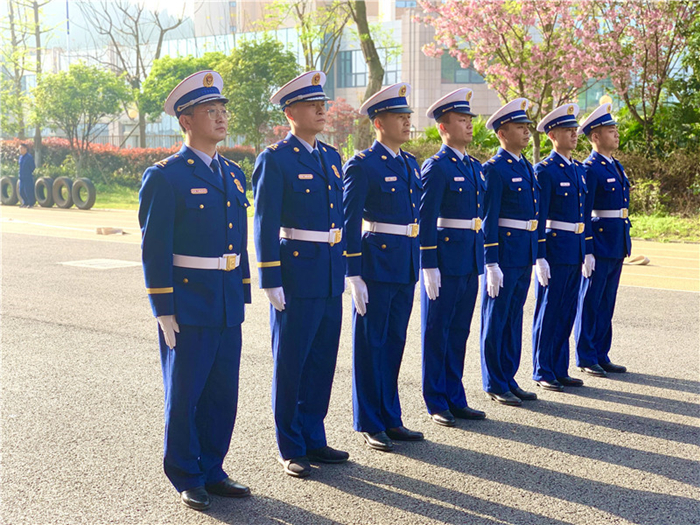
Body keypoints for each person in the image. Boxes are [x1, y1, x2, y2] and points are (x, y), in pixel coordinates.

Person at [138, 70, 252, 511]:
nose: (221, 117)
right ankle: (186, 472)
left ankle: (213, 467)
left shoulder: (234, 173)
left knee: (223, 392)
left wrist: (241, 291)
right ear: (186, 121)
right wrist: (162, 307)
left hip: (224, 298)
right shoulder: (165, 176)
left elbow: (237, 241)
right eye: (211, 111)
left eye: (223, 110)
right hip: (188, 301)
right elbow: (154, 246)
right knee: (185, 392)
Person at [253, 71, 348, 478]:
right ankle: (289, 444)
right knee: (291, 362)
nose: (321, 110)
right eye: (312, 105)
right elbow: (263, 221)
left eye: (322, 103)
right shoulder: (275, 159)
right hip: (296, 271)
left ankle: (314, 435)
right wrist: (270, 277)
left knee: (322, 360)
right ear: (291, 112)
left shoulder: (331, 156)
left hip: (329, 273)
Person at [343, 83, 424, 452]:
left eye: (408, 117)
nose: (408, 122)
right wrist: (353, 272)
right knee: (371, 343)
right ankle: (370, 420)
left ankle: (391, 416)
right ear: (379, 122)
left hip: (405, 260)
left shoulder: (410, 163)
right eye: (399, 117)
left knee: (394, 342)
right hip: (376, 262)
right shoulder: (363, 165)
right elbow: (349, 221)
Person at [419, 88, 487, 427]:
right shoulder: (437, 167)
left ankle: (455, 396)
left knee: (458, 331)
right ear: (444, 128)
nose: (469, 125)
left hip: (469, 259)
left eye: (470, 120)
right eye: (461, 120)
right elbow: (425, 218)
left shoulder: (474, 167)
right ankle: (436, 400)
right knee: (437, 331)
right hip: (445, 262)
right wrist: (428, 263)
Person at [480, 98, 540, 407]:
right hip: (504, 255)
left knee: (513, 318)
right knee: (497, 318)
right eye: (520, 127)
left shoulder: (525, 166)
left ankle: (509, 376)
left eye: (527, 126)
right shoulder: (494, 169)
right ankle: (494, 381)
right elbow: (489, 219)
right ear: (503, 132)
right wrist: (491, 261)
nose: (527, 131)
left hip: (523, 253)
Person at [531, 103, 589, 392]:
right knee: (549, 310)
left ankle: (559, 367)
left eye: (575, 129)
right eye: (568, 130)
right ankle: (543, 369)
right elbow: (539, 218)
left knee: (567, 310)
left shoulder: (578, 169)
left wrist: (586, 248)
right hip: (554, 249)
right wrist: (539, 256)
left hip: (574, 247)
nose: (574, 134)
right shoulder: (545, 171)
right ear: (552, 135)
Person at [573, 103, 630, 377]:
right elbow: (584, 212)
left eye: (616, 129)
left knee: (607, 301)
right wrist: (587, 249)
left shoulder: (615, 166)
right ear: (595, 137)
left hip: (616, 241)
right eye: (610, 130)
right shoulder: (590, 169)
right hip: (599, 241)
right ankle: (586, 355)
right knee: (591, 301)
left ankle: (601, 353)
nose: (616, 134)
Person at [18, 144, 36, 208]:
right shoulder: (20, 157)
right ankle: (25, 203)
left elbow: (32, 167)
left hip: (27, 177)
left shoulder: (29, 157)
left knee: (28, 190)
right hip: (21, 177)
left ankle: (31, 204)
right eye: (19, 148)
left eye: (21, 148)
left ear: (25, 149)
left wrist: (28, 172)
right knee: (21, 191)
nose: (20, 150)